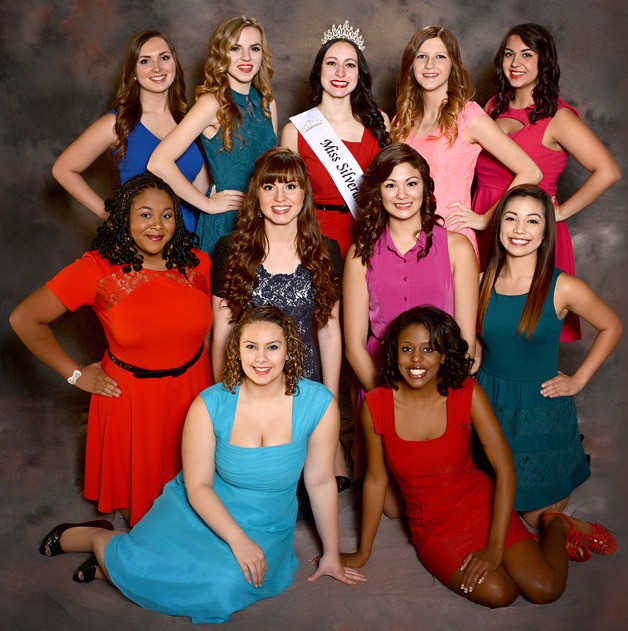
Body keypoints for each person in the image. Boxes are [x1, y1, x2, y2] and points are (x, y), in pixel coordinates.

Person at [38, 306, 367, 624]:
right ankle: (92, 538)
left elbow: (321, 482)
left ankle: (112, 569)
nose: (261, 358)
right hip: (201, 508)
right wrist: (238, 541)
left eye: (272, 347)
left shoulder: (319, 402)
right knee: (153, 564)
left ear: (289, 351)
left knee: (223, 587)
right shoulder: (209, 404)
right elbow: (198, 486)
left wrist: (331, 555)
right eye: (250, 346)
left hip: (266, 524)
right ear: (236, 351)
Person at [341, 305, 617, 607]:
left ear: (444, 355)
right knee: (500, 594)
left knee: (545, 588)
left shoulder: (467, 394)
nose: (417, 359)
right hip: (434, 528)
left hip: (481, 505)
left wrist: (495, 547)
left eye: (429, 349)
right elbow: (375, 481)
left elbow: (505, 468)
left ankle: (556, 525)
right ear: (394, 353)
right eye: (407, 349)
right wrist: (363, 551)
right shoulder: (376, 406)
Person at [10, 173, 212, 525]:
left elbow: (202, 332)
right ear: (123, 218)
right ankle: (90, 540)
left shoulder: (197, 263)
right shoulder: (96, 269)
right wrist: (75, 375)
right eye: (145, 214)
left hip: (194, 394)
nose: (157, 225)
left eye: (167, 215)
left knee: (199, 518)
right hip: (134, 405)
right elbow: (25, 319)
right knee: (150, 530)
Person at [476, 184, 623, 529]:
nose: (520, 229)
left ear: (545, 233)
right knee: (495, 505)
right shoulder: (481, 281)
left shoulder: (563, 287)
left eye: (532, 221)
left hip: (538, 404)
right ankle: (559, 521)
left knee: (533, 516)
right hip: (489, 398)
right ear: (498, 228)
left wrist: (578, 379)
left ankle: (569, 525)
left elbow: (612, 326)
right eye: (511, 219)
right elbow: (483, 337)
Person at [463, 23, 621, 340]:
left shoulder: (558, 117)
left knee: (521, 329)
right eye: (509, 54)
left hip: (525, 231)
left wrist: (559, 213)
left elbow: (608, 171)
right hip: (480, 222)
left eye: (526, 54)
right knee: (476, 322)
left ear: (543, 61)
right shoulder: (493, 106)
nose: (516, 63)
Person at [210, 147, 349, 486]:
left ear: (305, 194)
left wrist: (328, 402)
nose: (280, 197)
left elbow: (330, 331)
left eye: (291, 186)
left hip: (306, 382)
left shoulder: (326, 251)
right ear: (256, 195)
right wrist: (223, 396)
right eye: (269, 187)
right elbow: (222, 331)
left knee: (319, 487)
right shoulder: (231, 250)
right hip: (251, 381)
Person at [343, 143, 479, 479]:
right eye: (390, 185)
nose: (402, 194)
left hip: (442, 382)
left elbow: (467, 340)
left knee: (438, 482)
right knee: (389, 503)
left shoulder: (457, 247)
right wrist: (387, 398)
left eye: (411, 183)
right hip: (380, 382)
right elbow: (354, 345)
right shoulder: (360, 254)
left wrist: (435, 398)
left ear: (425, 187)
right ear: (378, 193)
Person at [392, 26, 541, 259]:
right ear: (411, 65)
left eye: (440, 56)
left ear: (452, 65)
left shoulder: (467, 116)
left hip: (451, 243)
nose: (430, 64)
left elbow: (531, 171)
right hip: (404, 240)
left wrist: (485, 218)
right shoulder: (401, 123)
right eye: (422, 56)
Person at [52, 30, 208, 232]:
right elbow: (63, 169)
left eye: (164, 58)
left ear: (175, 65)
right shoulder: (117, 123)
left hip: (191, 244)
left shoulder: (189, 121)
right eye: (145, 61)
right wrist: (110, 215)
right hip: (142, 248)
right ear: (133, 72)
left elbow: (201, 187)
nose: (157, 68)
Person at [149, 16, 277, 257]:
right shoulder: (211, 103)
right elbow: (158, 162)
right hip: (227, 220)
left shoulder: (267, 103)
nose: (246, 58)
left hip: (264, 217)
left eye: (254, 49)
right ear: (222, 53)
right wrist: (206, 203)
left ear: (263, 54)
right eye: (235, 48)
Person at [281, 20, 389, 258]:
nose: (340, 73)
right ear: (319, 69)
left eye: (349, 65)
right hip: (315, 239)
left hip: (368, 237)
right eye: (332, 63)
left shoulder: (379, 122)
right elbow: (286, 199)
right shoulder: (295, 131)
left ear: (359, 73)